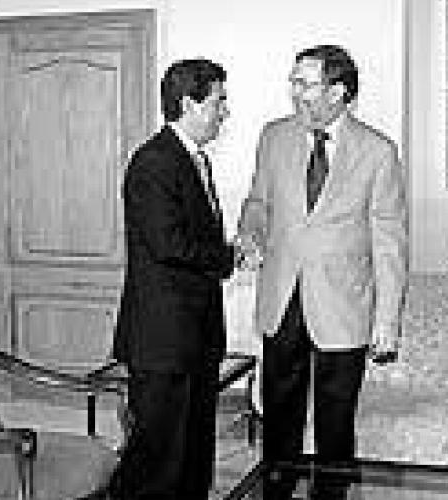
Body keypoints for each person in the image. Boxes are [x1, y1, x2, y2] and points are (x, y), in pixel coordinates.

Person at [237, 44, 408, 500]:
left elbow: (389, 242)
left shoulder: (378, 151)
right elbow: (258, 201)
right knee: (279, 417)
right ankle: (275, 493)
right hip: (282, 298)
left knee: (335, 424)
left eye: (305, 84)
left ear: (338, 91)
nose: (295, 92)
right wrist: (251, 232)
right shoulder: (274, 136)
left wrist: (387, 320)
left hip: (343, 304)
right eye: (293, 82)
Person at [78, 58, 236, 500]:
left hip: (196, 336)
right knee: (157, 462)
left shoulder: (194, 160)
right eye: (219, 101)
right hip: (163, 339)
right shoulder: (154, 162)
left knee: (194, 453)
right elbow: (170, 244)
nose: (225, 112)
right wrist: (230, 255)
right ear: (189, 104)